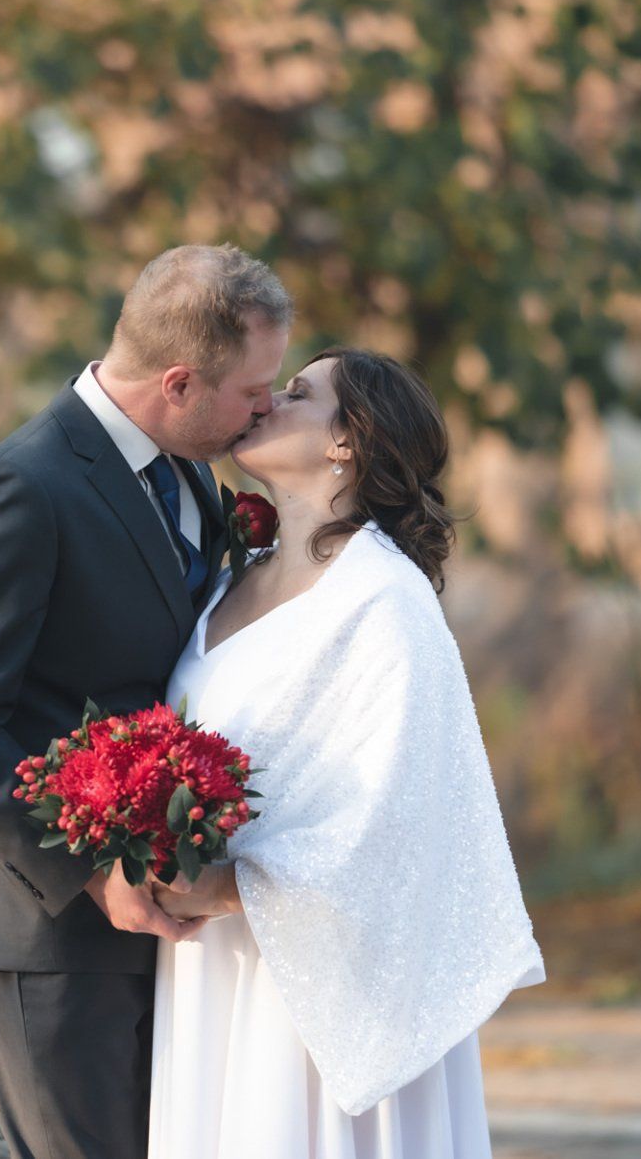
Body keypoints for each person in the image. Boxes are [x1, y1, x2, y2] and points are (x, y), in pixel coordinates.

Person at [0, 244, 294, 1159]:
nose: (267, 407)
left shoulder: (190, 468)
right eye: (254, 390)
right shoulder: (19, 489)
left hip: (167, 929)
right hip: (51, 936)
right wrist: (86, 871)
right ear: (180, 382)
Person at [146, 347, 547, 1158]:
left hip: (321, 983)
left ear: (347, 442)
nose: (266, 402)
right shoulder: (228, 582)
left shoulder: (383, 600)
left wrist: (220, 888)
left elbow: (394, 818)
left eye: (296, 393)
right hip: (215, 969)